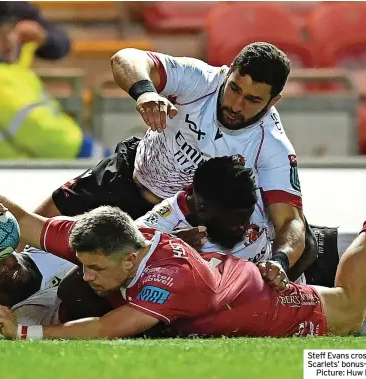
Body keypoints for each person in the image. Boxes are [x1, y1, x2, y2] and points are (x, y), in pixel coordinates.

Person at [0, 166, 366, 340]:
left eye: (95, 269)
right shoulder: (105, 237)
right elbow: (30, 225)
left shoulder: (166, 278)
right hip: (242, 285)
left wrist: (25, 334)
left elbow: (107, 327)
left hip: (281, 309)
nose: (87, 274)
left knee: (352, 306)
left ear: (130, 262)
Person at [34, 42, 318, 283]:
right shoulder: (201, 80)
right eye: (234, 89)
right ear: (229, 71)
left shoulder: (272, 145)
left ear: (274, 101)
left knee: (83, 279)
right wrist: (145, 92)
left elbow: (291, 222)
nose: (236, 105)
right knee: (36, 228)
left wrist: (280, 261)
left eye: (253, 100)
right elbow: (125, 58)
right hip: (126, 175)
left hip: (174, 220)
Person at [0, 2, 105, 159]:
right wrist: (94, 153)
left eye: (12, 30)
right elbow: (45, 134)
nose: (10, 39)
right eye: (2, 32)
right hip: (17, 174)